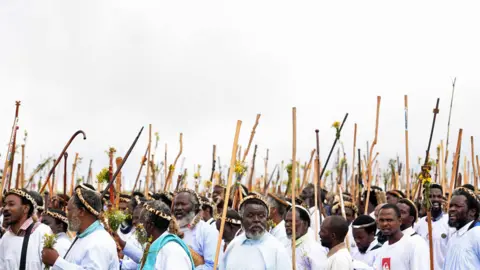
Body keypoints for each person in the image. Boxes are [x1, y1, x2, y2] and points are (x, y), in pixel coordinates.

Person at [41, 185, 119, 269]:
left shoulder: (99, 241)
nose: (67, 215)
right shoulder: (83, 236)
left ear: (81, 211)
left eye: (69, 210)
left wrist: (57, 261)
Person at [220, 194, 291, 270]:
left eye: (261, 216)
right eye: (250, 215)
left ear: (266, 218)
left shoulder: (277, 249)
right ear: (242, 219)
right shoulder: (233, 245)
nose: (256, 220)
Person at [0, 188, 53, 269]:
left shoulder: (43, 232)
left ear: (25, 208)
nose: (6, 208)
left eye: (11, 204)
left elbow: (50, 267)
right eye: (4, 205)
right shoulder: (5, 238)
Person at [138, 200, 194, 269]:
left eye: (140, 223)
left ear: (150, 225)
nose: (137, 228)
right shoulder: (153, 247)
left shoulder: (172, 251)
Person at [173, 188, 219, 269]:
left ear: (195, 207)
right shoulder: (168, 230)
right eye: (176, 204)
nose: (178, 208)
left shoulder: (207, 231)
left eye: (183, 204)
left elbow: (212, 266)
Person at [374, 204, 428, 270]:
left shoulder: (415, 244)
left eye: (389, 220)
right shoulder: (384, 247)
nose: (385, 224)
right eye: (381, 220)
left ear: (399, 221)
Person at [415, 184, 451, 270]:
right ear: (425, 200)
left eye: (439, 196)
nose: (435, 199)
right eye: (431, 196)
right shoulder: (419, 224)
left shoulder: (449, 222)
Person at [444, 187, 480, 269]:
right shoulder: (453, 238)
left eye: (458, 206)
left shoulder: (477, 234)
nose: (452, 209)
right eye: (451, 206)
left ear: (472, 212)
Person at [284, 205, 327, 270]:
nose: (287, 224)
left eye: (292, 221)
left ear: (305, 224)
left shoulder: (315, 249)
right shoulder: (285, 247)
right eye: (286, 221)